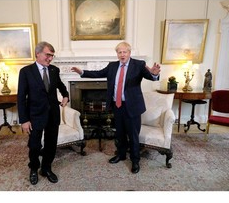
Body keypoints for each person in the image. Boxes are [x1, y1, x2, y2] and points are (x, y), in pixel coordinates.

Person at [71, 41, 160, 174]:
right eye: (119, 52)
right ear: (117, 54)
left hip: (132, 107)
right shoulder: (112, 66)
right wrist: (82, 72)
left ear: (129, 53)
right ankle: (121, 154)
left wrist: (153, 73)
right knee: (119, 133)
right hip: (117, 106)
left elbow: (151, 77)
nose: (122, 54)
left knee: (133, 135)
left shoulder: (139, 65)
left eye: (125, 52)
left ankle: (135, 160)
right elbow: (98, 73)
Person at [17, 41, 69, 185]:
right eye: (48, 55)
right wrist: (24, 120)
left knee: (51, 144)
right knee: (34, 145)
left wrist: (66, 96)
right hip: (35, 116)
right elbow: (21, 97)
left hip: (53, 114)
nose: (50, 58)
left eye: (52, 56)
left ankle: (46, 168)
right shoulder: (26, 72)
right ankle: (34, 168)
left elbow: (61, 86)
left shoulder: (54, 70)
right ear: (38, 53)